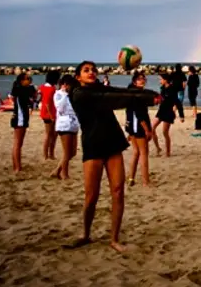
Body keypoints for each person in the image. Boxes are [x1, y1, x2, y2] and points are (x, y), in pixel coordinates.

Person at [66, 61, 160, 253]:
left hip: (113, 142)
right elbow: (115, 98)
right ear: (78, 77)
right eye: (86, 70)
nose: (91, 72)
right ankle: (85, 234)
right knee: (91, 196)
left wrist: (151, 96)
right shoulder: (78, 94)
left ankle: (114, 239)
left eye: (93, 70)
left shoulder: (102, 88)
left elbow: (123, 93)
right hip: (93, 145)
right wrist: (147, 97)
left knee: (118, 192)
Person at [125, 71, 153, 187]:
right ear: (134, 82)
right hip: (138, 127)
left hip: (132, 126)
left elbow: (129, 112)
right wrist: (147, 130)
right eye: (139, 79)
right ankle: (146, 182)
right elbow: (140, 115)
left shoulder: (131, 94)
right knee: (143, 153)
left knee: (136, 152)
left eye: (143, 78)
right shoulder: (138, 95)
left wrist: (128, 130)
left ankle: (131, 178)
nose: (142, 80)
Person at [52, 74, 80, 179]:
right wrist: (64, 94)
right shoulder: (58, 94)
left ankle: (57, 170)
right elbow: (59, 107)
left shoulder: (72, 94)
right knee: (67, 152)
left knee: (72, 152)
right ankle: (64, 173)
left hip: (73, 123)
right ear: (64, 85)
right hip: (64, 124)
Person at [11, 73, 36, 173]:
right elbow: (33, 93)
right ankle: (17, 167)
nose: (29, 80)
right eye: (27, 79)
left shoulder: (18, 89)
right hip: (20, 118)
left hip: (20, 117)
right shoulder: (21, 90)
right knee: (18, 143)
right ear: (21, 81)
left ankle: (16, 165)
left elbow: (31, 97)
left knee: (18, 143)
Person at [153, 73, 178, 157]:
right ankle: (158, 148)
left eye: (161, 79)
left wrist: (175, 110)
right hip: (161, 111)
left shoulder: (172, 89)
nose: (160, 81)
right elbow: (161, 98)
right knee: (152, 128)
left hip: (168, 112)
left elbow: (176, 101)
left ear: (165, 80)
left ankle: (168, 152)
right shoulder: (162, 88)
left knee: (165, 132)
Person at [39, 70, 61, 160]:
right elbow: (47, 103)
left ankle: (48, 154)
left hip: (46, 113)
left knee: (50, 135)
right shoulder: (51, 89)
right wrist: (52, 116)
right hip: (50, 114)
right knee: (50, 135)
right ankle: (48, 154)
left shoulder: (43, 87)